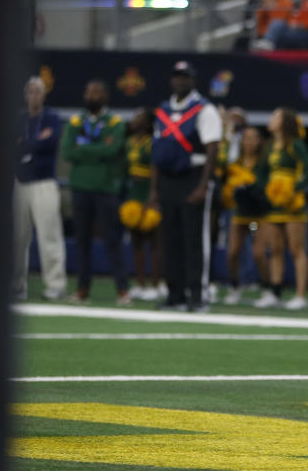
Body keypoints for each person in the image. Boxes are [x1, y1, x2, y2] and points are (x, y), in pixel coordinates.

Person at [150, 61, 223, 312]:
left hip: (193, 175)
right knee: (170, 239)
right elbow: (156, 152)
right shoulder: (163, 110)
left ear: (193, 80)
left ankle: (197, 295)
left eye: (185, 77)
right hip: (169, 177)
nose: (180, 81)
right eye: (177, 76)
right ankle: (175, 294)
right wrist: (154, 189)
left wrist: (204, 185)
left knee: (195, 240)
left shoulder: (205, 109)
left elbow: (213, 148)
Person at [61, 80, 129, 304]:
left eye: (96, 93)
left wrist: (84, 148)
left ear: (105, 96)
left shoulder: (115, 122)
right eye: (88, 92)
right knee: (82, 241)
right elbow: (68, 151)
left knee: (112, 240)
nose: (92, 96)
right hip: (80, 187)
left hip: (105, 188)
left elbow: (112, 150)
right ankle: (82, 290)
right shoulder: (75, 121)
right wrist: (97, 150)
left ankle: (122, 290)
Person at [13, 77, 66, 302]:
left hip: (44, 182)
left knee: (49, 234)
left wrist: (24, 143)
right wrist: (33, 143)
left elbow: (50, 144)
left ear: (44, 95)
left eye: (37, 92)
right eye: (30, 92)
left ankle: (56, 284)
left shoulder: (52, 118)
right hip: (19, 182)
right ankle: (16, 286)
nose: (33, 96)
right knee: (16, 237)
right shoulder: (18, 118)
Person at [257, 108, 308, 310]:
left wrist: (294, 189)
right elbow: (262, 173)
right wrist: (267, 190)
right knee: (275, 249)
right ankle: (275, 292)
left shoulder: (296, 145)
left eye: (275, 117)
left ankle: (301, 295)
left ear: (284, 122)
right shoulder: (270, 145)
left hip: (293, 205)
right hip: (274, 203)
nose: (271, 120)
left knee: (296, 249)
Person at [222, 126, 268, 306]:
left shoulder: (263, 162)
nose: (249, 142)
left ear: (259, 141)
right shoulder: (236, 161)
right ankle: (234, 286)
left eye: (253, 138)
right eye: (246, 138)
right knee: (233, 252)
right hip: (240, 214)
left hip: (257, 217)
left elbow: (265, 184)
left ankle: (268, 288)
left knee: (258, 252)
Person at [122, 108, 164, 303]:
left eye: (139, 117)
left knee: (154, 241)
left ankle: (156, 284)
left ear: (147, 123)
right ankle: (140, 284)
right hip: (134, 192)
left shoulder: (153, 143)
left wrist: (153, 195)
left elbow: (156, 168)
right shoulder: (130, 142)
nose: (134, 120)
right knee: (136, 240)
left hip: (149, 190)